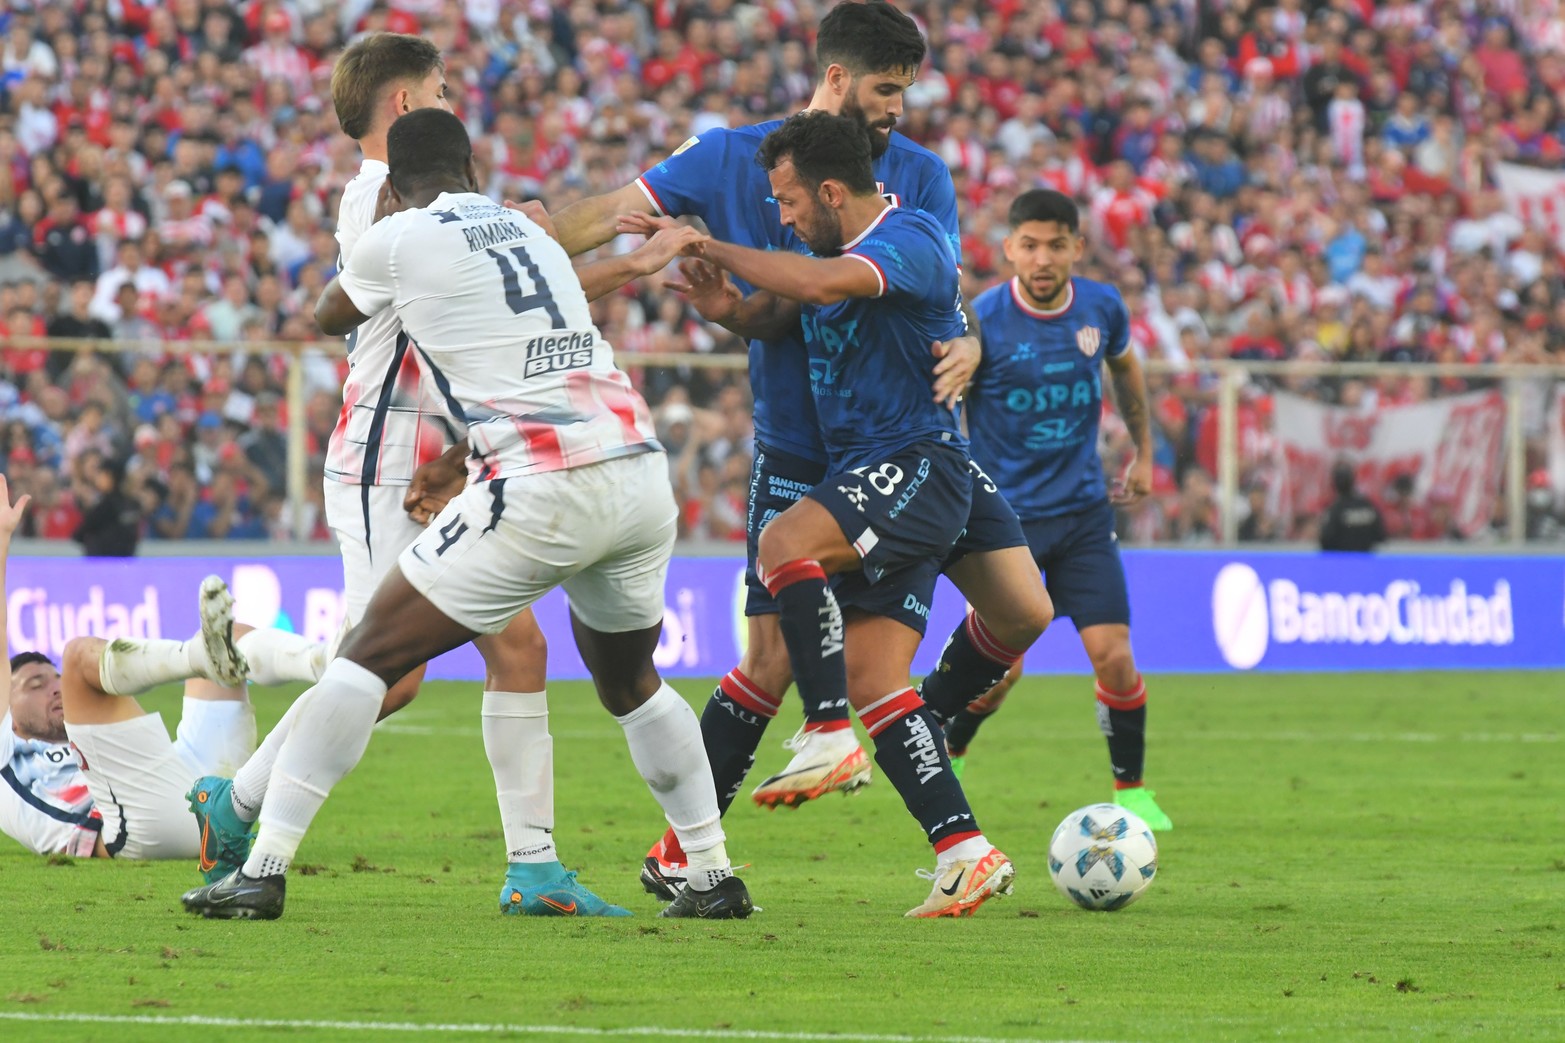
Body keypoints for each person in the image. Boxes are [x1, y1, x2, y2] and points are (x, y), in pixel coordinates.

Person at [179, 108, 748, 922]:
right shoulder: (533, 235)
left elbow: (328, 313)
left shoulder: (403, 233)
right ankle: (711, 874)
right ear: (472, 166)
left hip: (543, 484)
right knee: (632, 682)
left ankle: (262, 867)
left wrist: (380, 241)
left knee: (368, 654)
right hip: (637, 471)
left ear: (397, 185)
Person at [550, 0, 1049, 898]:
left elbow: (921, 284)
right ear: (835, 77)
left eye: (905, 90)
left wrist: (971, 336)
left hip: (904, 446)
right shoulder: (726, 157)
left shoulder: (917, 182)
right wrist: (517, 240)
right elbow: (627, 220)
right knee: (778, 661)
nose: (897, 107)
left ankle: (886, 731)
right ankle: (690, 848)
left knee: (1014, 618)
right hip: (803, 447)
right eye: (887, 87)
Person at [671, 112, 1016, 918]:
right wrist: (725, 303)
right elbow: (779, 311)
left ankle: (827, 733)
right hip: (868, 472)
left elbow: (826, 287)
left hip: (918, 466)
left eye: (787, 201)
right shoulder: (817, 254)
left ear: (830, 190)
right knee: (875, 676)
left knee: (782, 542)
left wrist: (707, 241)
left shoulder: (910, 238)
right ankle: (965, 851)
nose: (780, 216)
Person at [921, 190, 1173, 832]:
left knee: (1115, 656)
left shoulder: (1101, 306)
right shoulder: (981, 320)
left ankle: (1133, 791)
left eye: (1056, 245)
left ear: (1076, 249)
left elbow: (1125, 368)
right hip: (1008, 524)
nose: (1042, 258)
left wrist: (1142, 452)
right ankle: (954, 747)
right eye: (1029, 245)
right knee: (1002, 673)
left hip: (1086, 515)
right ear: (1009, 248)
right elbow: (945, 402)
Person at [3, 476, 258, 861]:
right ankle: (197, 657)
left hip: (200, 789)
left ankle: (336, 669)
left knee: (233, 635)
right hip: (134, 827)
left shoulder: (80, 739)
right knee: (77, 656)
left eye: (53, 680)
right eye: (34, 684)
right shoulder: (6, 746)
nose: (54, 689)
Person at [1319, 459, 1387, 552]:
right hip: (1366, 562)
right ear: (1353, 481)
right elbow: (1381, 536)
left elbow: (1326, 541)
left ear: (1334, 484)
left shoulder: (1335, 509)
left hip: (1343, 562)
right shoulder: (1367, 505)